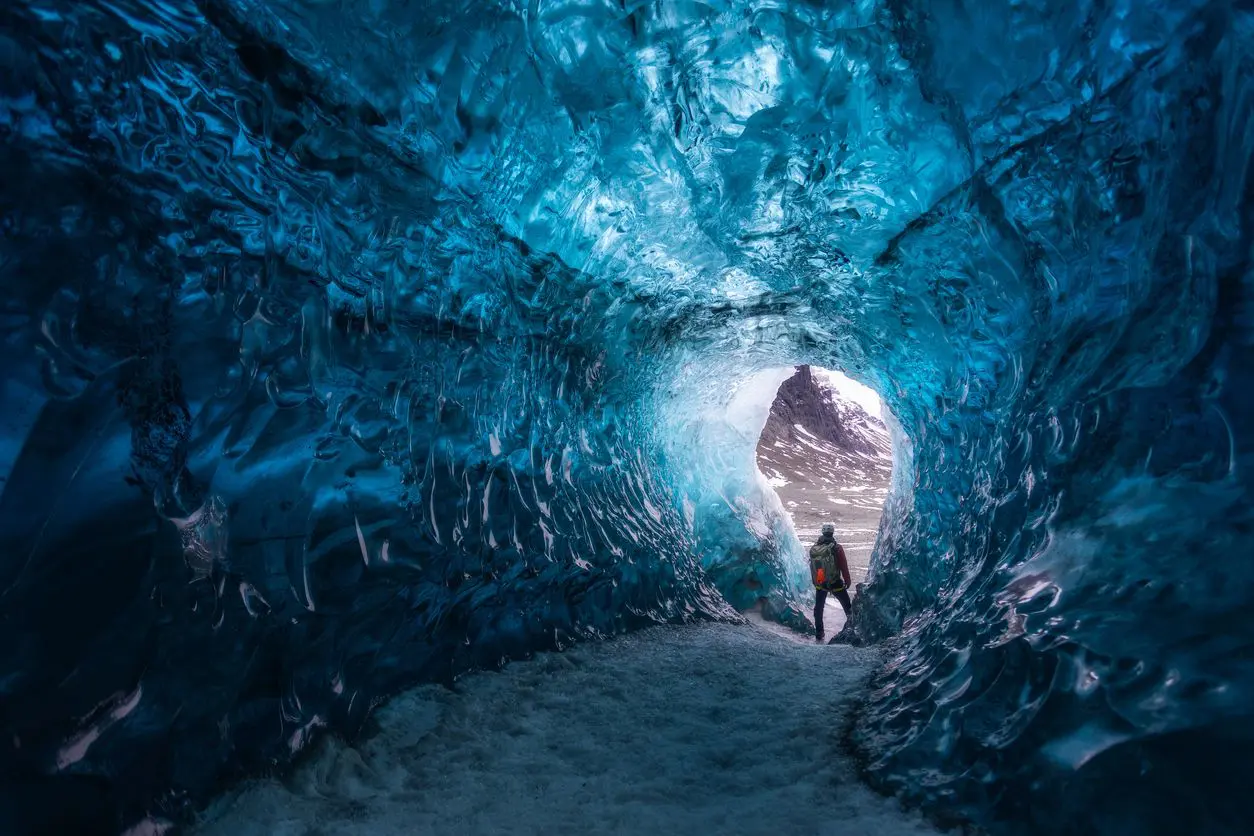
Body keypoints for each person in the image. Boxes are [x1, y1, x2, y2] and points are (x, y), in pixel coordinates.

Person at [809, 523, 852, 643]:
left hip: (821, 583)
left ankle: (819, 633)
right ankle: (853, 628)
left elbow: (813, 567)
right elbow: (843, 566)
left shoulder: (815, 548)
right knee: (848, 607)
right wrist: (847, 581)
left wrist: (817, 581)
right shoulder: (837, 548)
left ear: (822, 533)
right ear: (832, 533)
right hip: (835, 582)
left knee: (819, 608)